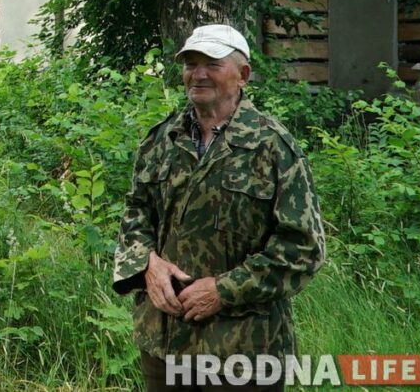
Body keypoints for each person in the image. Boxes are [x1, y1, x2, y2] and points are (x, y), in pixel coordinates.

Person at [113, 24, 325, 391]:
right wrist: (147, 264)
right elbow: (136, 214)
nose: (198, 74)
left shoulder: (273, 146)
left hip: (244, 351)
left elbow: (304, 248)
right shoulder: (162, 139)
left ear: (243, 75)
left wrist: (224, 290)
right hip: (164, 344)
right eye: (190, 64)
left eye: (211, 64)